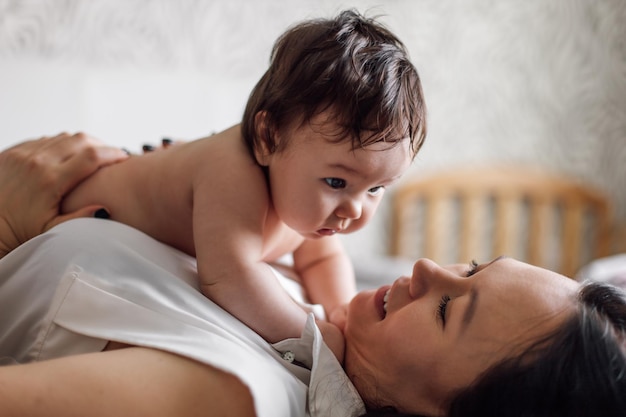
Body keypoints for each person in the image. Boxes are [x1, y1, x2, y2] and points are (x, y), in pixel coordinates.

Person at [2, 135, 625, 417]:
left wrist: (5, 222)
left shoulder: (225, 396)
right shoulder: (331, 336)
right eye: (470, 267)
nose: (425, 268)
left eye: (446, 310)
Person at [60, 9, 427, 358]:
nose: (355, 209)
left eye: (376, 189)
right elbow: (231, 279)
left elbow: (321, 258)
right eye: (336, 181)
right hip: (69, 197)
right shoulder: (232, 171)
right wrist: (317, 334)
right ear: (268, 138)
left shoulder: (303, 198)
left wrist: (341, 309)